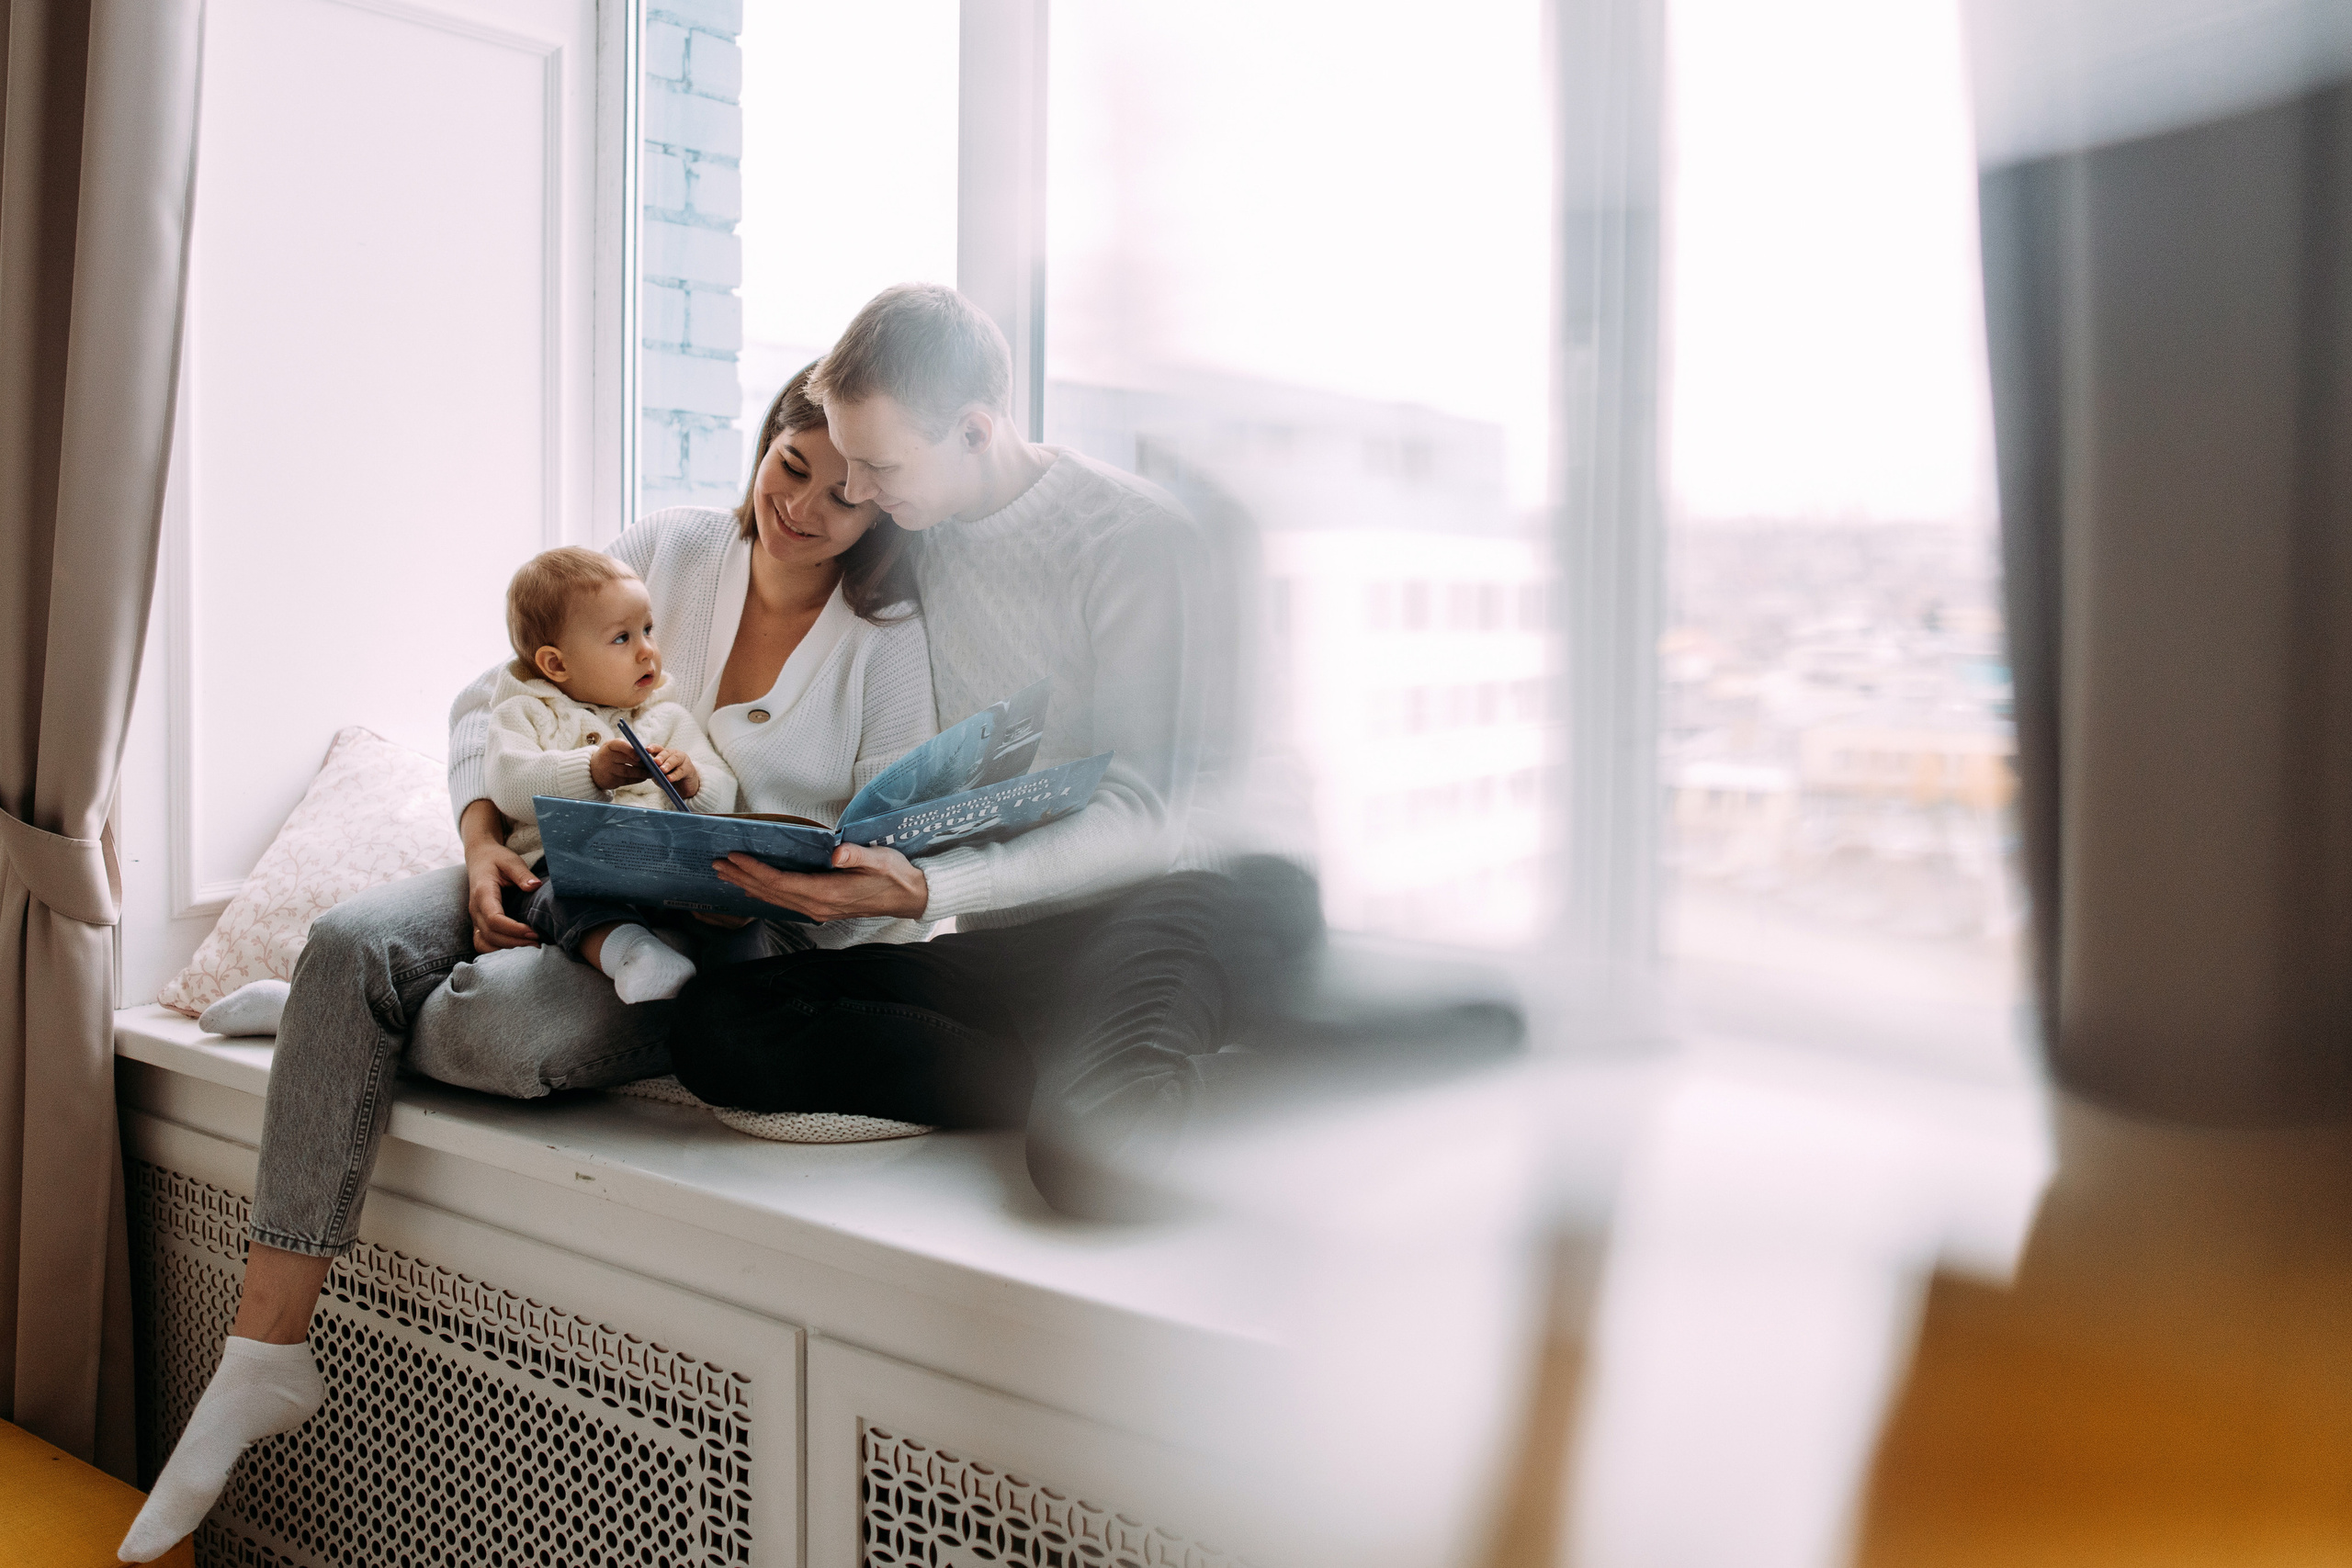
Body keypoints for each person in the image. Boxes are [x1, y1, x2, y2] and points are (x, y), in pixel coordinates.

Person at [119, 367, 933, 1562]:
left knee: (500, 1028)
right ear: (764, 446)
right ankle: (264, 1350)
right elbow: (488, 700)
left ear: (883, 510)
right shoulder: (667, 547)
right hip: (548, 858)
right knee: (349, 939)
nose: (801, 505)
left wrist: (802, 879)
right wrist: (481, 840)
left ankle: (322, 1021)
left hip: (715, 939)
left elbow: (894, 864)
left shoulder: (886, 647)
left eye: (842, 495)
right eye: (788, 464)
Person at [666, 283, 1513, 1219]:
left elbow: (1151, 818)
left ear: (977, 433)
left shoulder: (1137, 541)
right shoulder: (917, 531)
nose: (857, 494)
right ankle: (1096, 1066)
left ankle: (1412, 1045)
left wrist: (929, 891)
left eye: (876, 466)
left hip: (1200, 890)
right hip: (1037, 925)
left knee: (1097, 1160)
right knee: (718, 1027)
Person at [485, 546, 737, 1003]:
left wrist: (694, 782)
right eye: (622, 638)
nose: (647, 650)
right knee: (560, 897)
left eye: (648, 629)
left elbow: (726, 793)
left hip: (660, 868)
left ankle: (750, 990)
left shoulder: (668, 717)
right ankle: (634, 955)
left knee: (731, 901)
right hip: (564, 868)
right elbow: (507, 784)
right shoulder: (524, 713)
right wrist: (591, 770)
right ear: (556, 664)